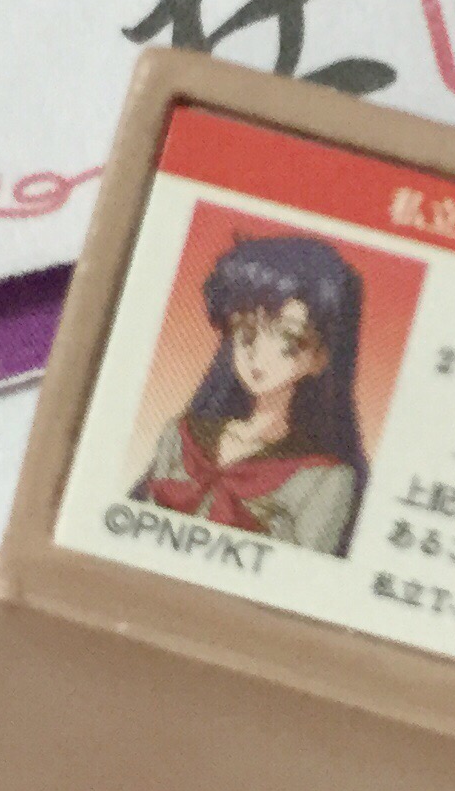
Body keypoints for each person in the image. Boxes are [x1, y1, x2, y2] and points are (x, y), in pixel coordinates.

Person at [131, 232, 367, 556]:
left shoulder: (326, 479)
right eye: (246, 332)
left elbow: (303, 575)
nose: (258, 356)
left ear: (320, 358)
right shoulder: (181, 436)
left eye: (287, 341)